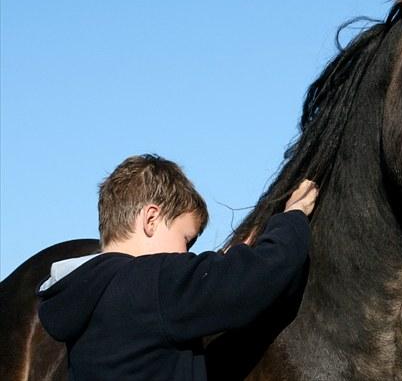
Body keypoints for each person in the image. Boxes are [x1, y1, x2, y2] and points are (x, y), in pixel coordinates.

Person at [36, 154, 316, 380]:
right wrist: (291, 219)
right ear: (151, 219)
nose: (185, 253)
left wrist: (221, 260)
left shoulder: (84, 298)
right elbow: (260, 276)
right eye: (186, 239)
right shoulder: (151, 281)